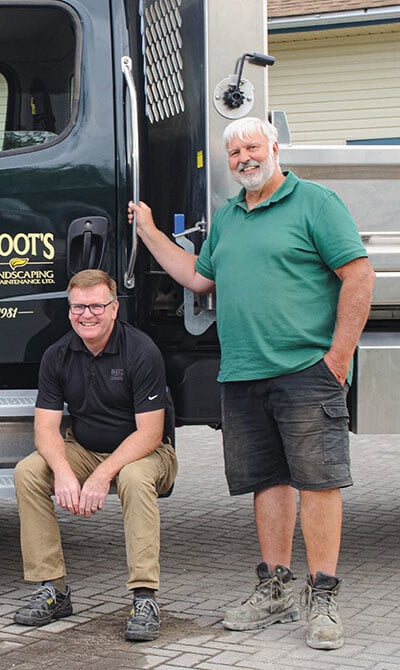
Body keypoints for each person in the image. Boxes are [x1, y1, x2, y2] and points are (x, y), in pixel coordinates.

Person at [129, 116, 375, 650]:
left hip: (306, 369)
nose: (244, 157)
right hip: (243, 373)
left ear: (274, 148)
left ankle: (323, 597)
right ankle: (275, 590)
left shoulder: (314, 203)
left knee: (318, 483)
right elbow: (198, 277)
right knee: (267, 482)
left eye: (252, 147)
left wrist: (338, 358)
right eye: (235, 151)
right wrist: (148, 232)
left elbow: (359, 274)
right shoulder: (228, 217)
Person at [13, 269, 178, 642]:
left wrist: (102, 476)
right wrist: (64, 473)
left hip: (147, 453)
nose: (86, 315)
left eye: (96, 306)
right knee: (28, 472)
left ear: (114, 308)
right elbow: (45, 429)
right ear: (69, 310)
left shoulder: (142, 351)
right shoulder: (57, 355)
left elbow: (150, 433)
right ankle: (53, 589)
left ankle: (144, 597)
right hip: (85, 448)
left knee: (134, 478)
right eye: (78, 307)